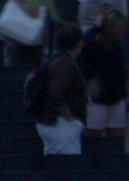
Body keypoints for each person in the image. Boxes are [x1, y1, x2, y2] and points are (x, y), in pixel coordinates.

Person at [34, 22, 89, 156]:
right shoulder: (67, 65)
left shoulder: (55, 59)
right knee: (66, 169)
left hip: (52, 123)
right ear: (78, 43)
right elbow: (55, 93)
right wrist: (71, 119)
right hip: (60, 125)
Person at [81, 9, 129, 138]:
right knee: (93, 138)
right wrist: (96, 27)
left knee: (116, 140)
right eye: (119, 30)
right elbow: (83, 45)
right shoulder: (93, 45)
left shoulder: (117, 47)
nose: (122, 34)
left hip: (116, 98)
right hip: (97, 100)